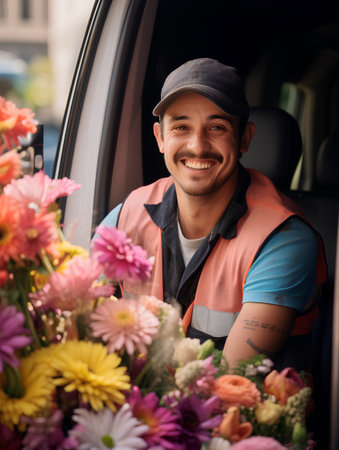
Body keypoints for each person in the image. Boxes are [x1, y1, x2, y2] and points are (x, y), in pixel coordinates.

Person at [99, 58, 327, 370]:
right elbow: (78, 319)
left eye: (216, 127)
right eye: (181, 127)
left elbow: (231, 384)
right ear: (160, 138)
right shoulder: (126, 214)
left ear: (244, 138)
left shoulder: (282, 238)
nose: (197, 145)